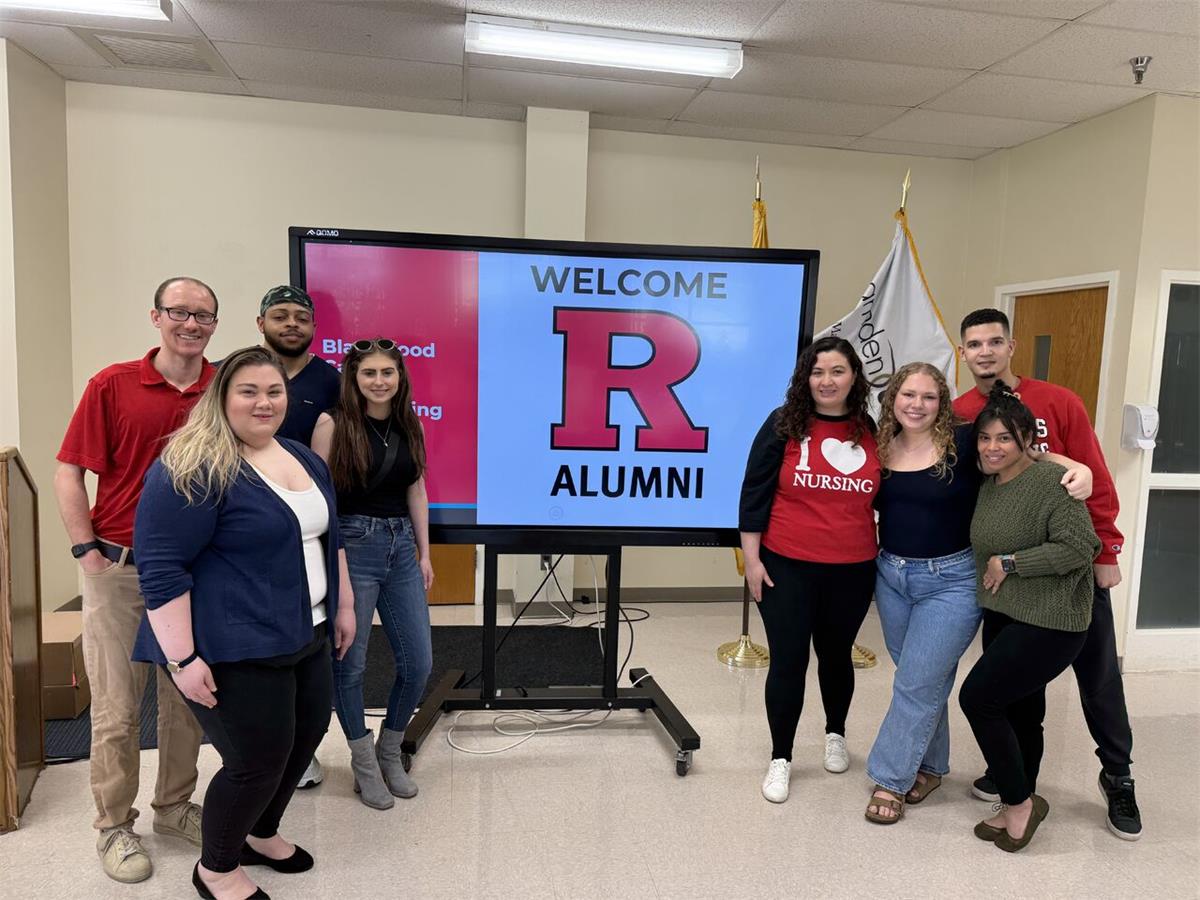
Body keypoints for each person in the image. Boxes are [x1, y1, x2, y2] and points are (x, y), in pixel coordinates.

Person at [132, 346, 356, 900]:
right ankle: (216, 867)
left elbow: (333, 538)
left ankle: (261, 832)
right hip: (233, 643)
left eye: (274, 391)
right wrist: (182, 660)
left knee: (303, 742)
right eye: (248, 392)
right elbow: (162, 570)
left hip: (307, 633)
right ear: (221, 398)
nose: (264, 403)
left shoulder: (303, 457)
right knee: (255, 762)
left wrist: (344, 606)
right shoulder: (193, 466)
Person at [863, 363, 1093, 824]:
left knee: (916, 683)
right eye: (908, 394)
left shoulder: (965, 442)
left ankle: (890, 778)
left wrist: (1078, 467)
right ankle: (928, 768)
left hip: (951, 580)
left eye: (929, 396)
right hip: (891, 576)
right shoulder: (878, 446)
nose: (917, 404)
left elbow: (1019, 450)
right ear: (893, 399)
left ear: (942, 403)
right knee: (922, 678)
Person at [954, 308, 1142, 841]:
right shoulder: (963, 411)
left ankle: (1118, 775)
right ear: (963, 352)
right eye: (974, 344)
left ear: (1011, 347)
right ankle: (1019, 782)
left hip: (1066, 574)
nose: (985, 351)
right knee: (1018, 693)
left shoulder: (1058, 401)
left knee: (1099, 680)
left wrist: (1106, 548)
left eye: (994, 341)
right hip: (1009, 593)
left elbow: (1090, 477)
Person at [54, 276, 217, 884]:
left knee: (187, 699)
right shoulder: (113, 385)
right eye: (179, 312)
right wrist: (86, 552)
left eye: (203, 315)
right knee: (118, 708)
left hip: (194, 574)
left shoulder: (222, 388)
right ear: (156, 317)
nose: (191, 323)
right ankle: (114, 825)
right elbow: (70, 469)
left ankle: (174, 807)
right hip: (118, 568)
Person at [958, 382, 1100, 852]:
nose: (992, 447)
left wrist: (1011, 562)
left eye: (1004, 438)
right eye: (985, 438)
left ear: (1026, 440)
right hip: (1004, 612)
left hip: (1052, 618)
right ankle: (1022, 797)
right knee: (1023, 712)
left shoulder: (1050, 484)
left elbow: (1081, 547)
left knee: (978, 699)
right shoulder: (989, 485)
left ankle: (1017, 801)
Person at [739, 336, 880, 804]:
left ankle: (835, 732)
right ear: (805, 378)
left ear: (853, 378)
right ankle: (781, 757)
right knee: (789, 660)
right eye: (817, 372)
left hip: (853, 568)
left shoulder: (870, 429)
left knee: (837, 655)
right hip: (786, 567)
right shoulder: (782, 425)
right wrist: (752, 561)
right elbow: (754, 493)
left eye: (837, 371)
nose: (827, 381)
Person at [311, 338, 434, 810]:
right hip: (352, 545)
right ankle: (362, 763)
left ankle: (389, 751)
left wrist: (424, 553)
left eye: (388, 372)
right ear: (353, 377)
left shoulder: (410, 423)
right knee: (352, 663)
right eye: (369, 373)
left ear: (400, 377)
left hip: (401, 546)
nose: (379, 381)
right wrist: (334, 561)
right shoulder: (333, 424)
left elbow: (416, 490)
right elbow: (320, 501)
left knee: (418, 662)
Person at [256, 283, 341, 790]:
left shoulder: (329, 381)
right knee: (259, 646)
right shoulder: (234, 373)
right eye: (280, 315)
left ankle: (299, 751)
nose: (291, 324)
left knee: (307, 639)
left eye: (301, 318)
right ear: (260, 322)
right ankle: (258, 751)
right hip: (245, 528)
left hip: (307, 526)